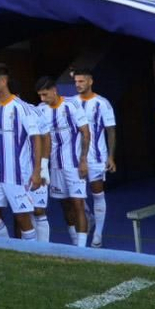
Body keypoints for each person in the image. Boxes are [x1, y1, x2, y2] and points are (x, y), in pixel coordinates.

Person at [0, 64, 44, 241]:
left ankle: (33, 251)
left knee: (23, 218)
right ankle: (7, 246)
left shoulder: (22, 108)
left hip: (18, 174)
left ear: (3, 81)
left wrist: (37, 172)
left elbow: (36, 139)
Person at [38, 76, 89, 246]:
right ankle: (75, 243)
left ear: (54, 90)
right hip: (55, 166)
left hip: (73, 164)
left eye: (45, 95)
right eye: (40, 96)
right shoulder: (41, 110)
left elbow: (85, 132)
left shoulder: (72, 105)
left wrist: (83, 160)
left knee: (78, 204)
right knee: (65, 205)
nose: (42, 99)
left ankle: (82, 249)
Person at [73, 67, 115, 247]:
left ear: (90, 81)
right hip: (74, 157)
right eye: (76, 82)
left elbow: (111, 131)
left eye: (81, 81)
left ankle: (98, 234)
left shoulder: (102, 103)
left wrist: (111, 157)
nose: (78, 85)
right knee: (76, 196)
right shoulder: (70, 102)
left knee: (97, 193)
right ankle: (88, 218)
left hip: (97, 156)